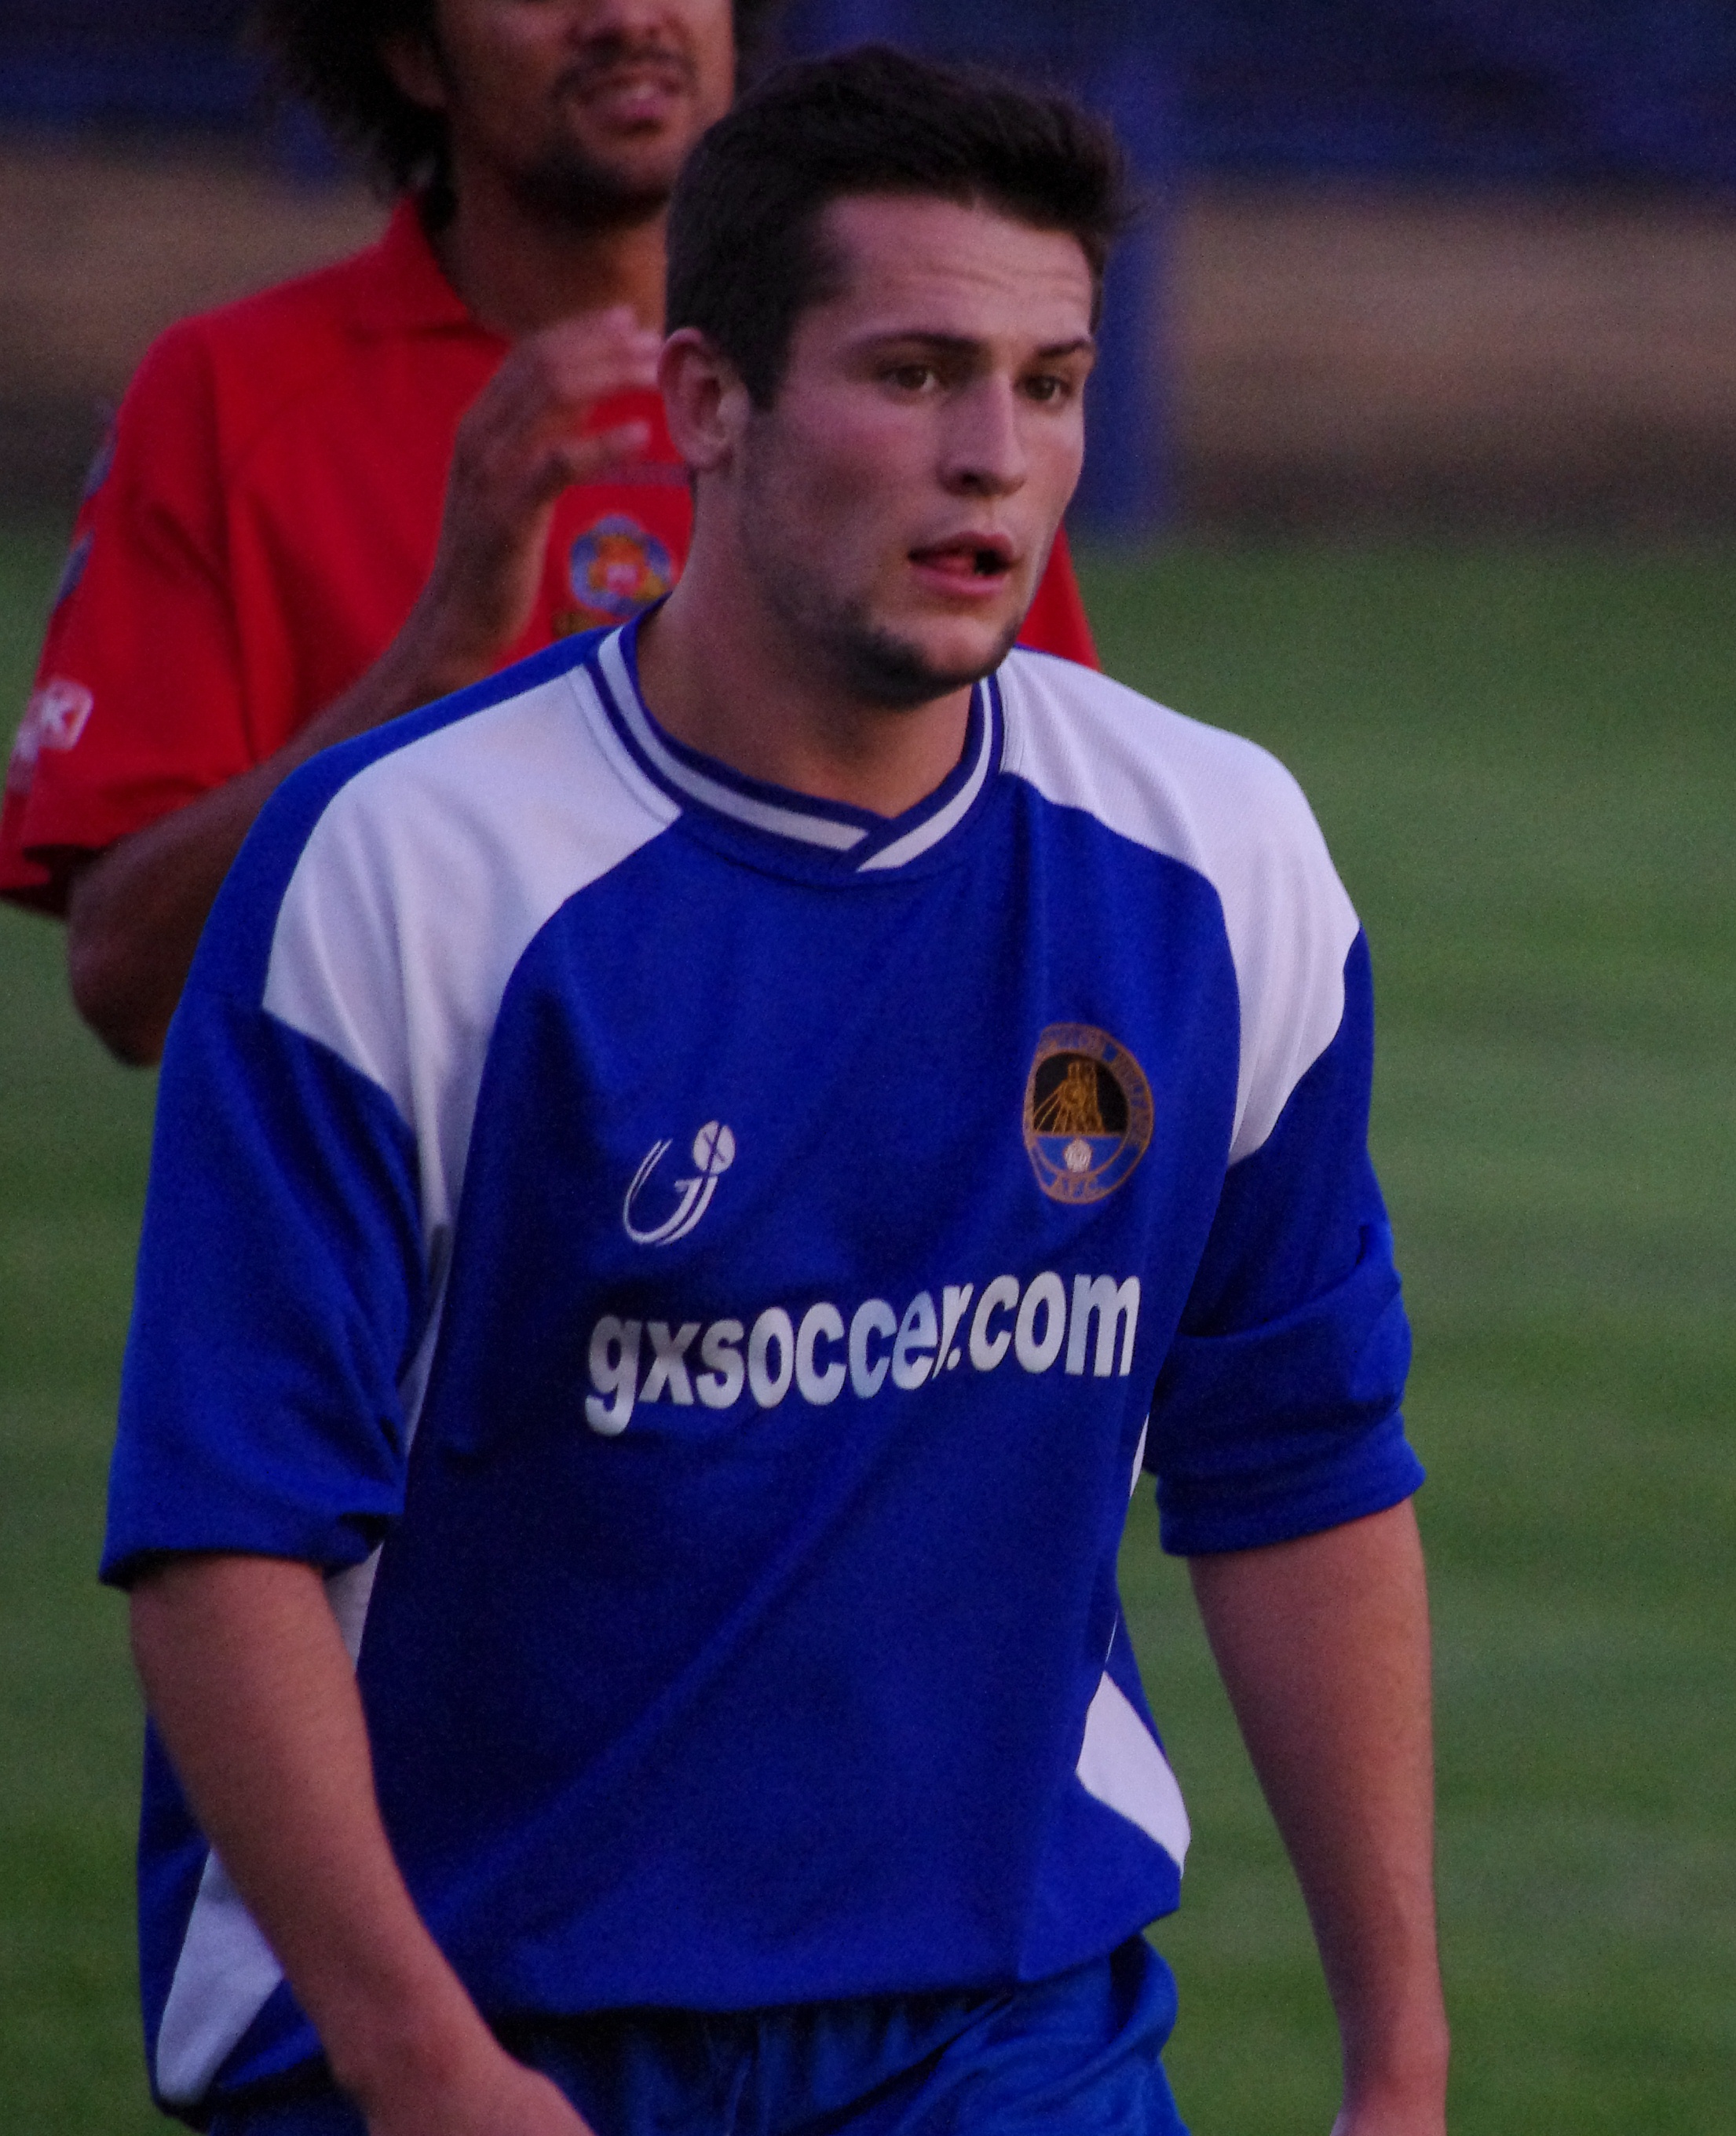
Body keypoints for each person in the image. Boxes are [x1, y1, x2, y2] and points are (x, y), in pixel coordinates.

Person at [105, 45, 1449, 2136]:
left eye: (1050, 383)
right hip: (470, 2020)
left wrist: (1399, 2065)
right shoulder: (408, 870)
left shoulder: (1216, 860)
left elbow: (1300, 1466)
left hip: (995, 2025)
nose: (992, 458)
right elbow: (224, 1537)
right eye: (912, 376)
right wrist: (419, 2059)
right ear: (705, 403)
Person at [0, 0, 1096, 1067]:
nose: (627, 17)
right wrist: (430, 665)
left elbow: (1067, 897)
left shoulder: (905, 405)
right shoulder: (230, 397)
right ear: (411, 48)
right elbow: (130, 986)